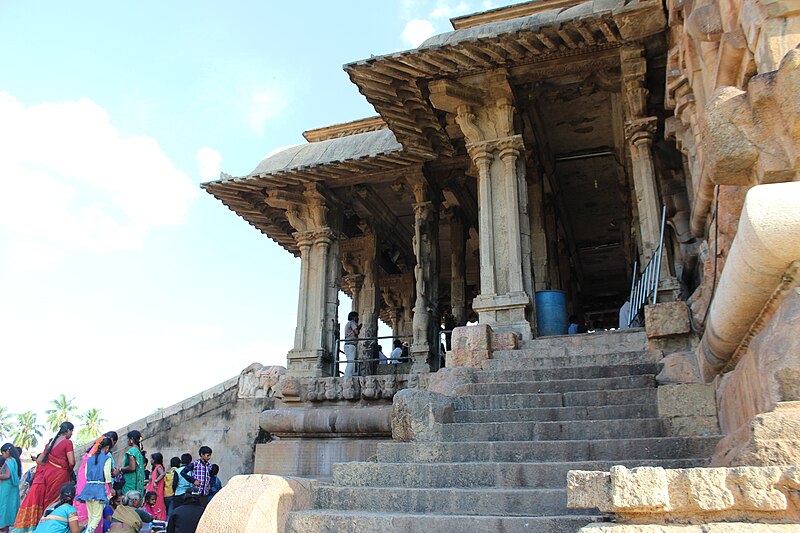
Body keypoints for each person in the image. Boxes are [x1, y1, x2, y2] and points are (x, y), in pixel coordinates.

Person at [13, 422, 75, 532]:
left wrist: (51, 464)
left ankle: (43, 525)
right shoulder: (67, 443)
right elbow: (72, 462)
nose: (71, 434)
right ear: (68, 430)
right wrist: (66, 469)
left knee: (48, 500)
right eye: (72, 432)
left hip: (48, 474)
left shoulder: (51, 443)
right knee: (57, 499)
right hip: (60, 474)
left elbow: (39, 460)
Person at [75, 432, 119, 527]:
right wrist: (110, 488)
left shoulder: (90, 457)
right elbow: (107, 475)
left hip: (87, 489)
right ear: (107, 447)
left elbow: (86, 474)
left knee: (91, 517)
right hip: (99, 490)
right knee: (97, 517)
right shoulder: (106, 458)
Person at [0, 443, 21, 532]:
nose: (3, 455)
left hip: (6, 487)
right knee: (9, 506)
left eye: (3, 453)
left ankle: (3, 526)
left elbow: (7, 475)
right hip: (11, 488)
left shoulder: (9, 461)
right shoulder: (15, 460)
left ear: (7, 452)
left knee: (4, 506)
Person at [119, 432, 145, 497]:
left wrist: (120, 469)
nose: (127, 441)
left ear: (132, 440)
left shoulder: (132, 451)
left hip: (130, 482)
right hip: (137, 482)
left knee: (128, 501)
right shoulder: (138, 452)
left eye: (128, 439)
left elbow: (132, 467)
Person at [143, 454, 165, 521]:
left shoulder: (158, 467)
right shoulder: (155, 468)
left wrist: (156, 481)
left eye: (152, 459)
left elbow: (163, 473)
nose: (151, 460)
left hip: (156, 490)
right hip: (151, 489)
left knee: (156, 504)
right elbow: (150, 480)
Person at [343, 312, 361, 376]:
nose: (358, 318)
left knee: (350, 361)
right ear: (353, 317)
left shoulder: (348, 324)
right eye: (357, 317)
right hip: (351, 345)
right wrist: (358, 328)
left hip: (347, 345)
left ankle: (350, 374)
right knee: (351, 362)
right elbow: (356, 332)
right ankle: (347, 376)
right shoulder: (352, 322)